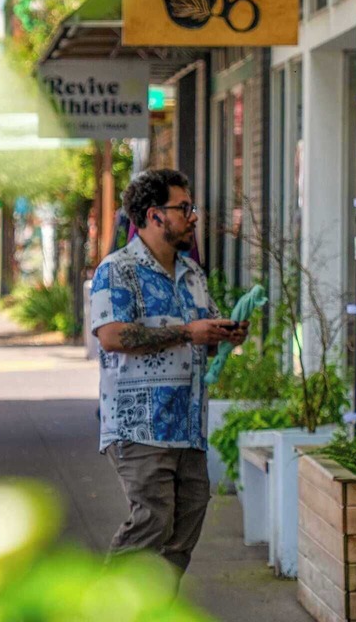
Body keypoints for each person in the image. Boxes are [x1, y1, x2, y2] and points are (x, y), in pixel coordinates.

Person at [89, 168, 249, 576]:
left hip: (188, 425)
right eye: (184, 208)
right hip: (139, 426)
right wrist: (187, 332)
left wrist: (224, 334)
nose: (193, 217)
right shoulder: (118, 269)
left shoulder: (192, 274)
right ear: (154, 215)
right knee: (153, 520)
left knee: (184, 529)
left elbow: (203, 335)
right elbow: (111, 335)